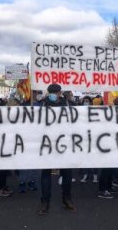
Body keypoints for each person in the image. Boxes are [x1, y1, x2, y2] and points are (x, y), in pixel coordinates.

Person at [37, 84, 76, 215]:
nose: (53, 94)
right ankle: (45, 201)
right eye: (51, 92)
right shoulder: (41, 104)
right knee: (45, 174)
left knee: (67, 174)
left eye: (56, 92)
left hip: (64, 144)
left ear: (60, 93)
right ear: (48, 93)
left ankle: (67, 198)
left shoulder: (68, 104)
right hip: (47, 144)